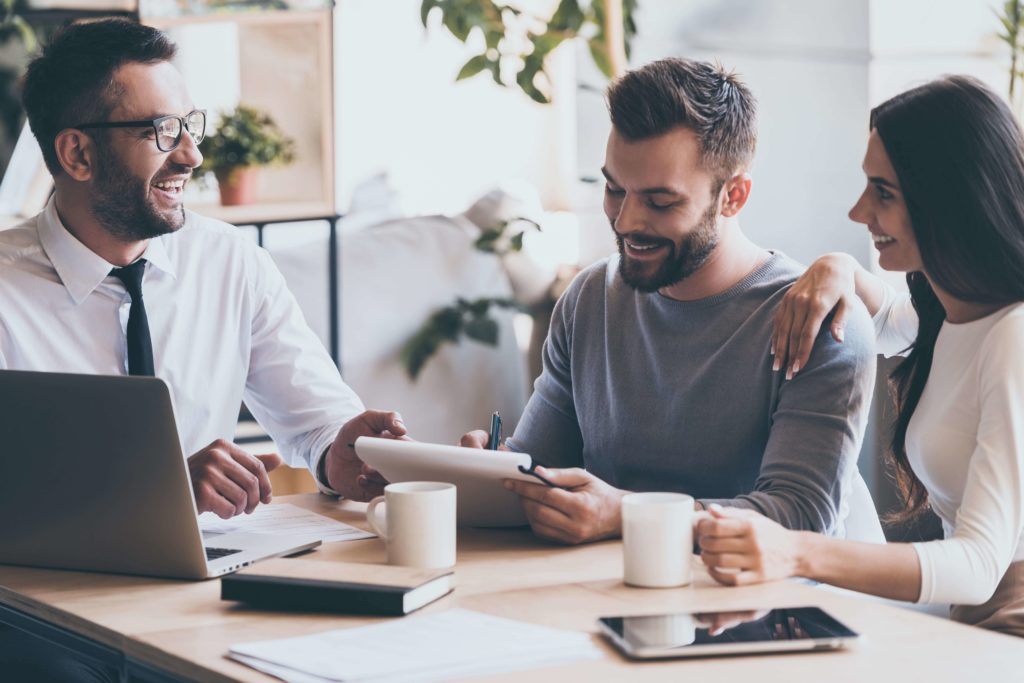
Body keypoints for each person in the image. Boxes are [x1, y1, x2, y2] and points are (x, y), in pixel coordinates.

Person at [462, 57, 881, 546]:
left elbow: (801, 516)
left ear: (734, 196)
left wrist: (629, 514)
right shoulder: (589, 300)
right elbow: (541, 471)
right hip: (602, 598)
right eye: (615, 189)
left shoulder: (820, 322)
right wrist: (489, 473)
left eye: (661, 202)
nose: (626, 221)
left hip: (767, 614)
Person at [0, 20, 399, 517]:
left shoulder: (232, 262)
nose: (192, 154)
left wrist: (337, 455)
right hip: (40, 587)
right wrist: (156, 491)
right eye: (164, 132)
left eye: (190, 124)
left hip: (210, 579)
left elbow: (316, 422)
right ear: (78, 153)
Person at [696, 75, 1024, 638]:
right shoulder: (957, 308)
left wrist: (795, 552)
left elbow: (974, 568)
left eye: (884, 193)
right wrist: (837, 267)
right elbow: (889, 321)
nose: (857, 211)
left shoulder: (1014, 337)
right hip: (971, 617)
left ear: (951, 200)